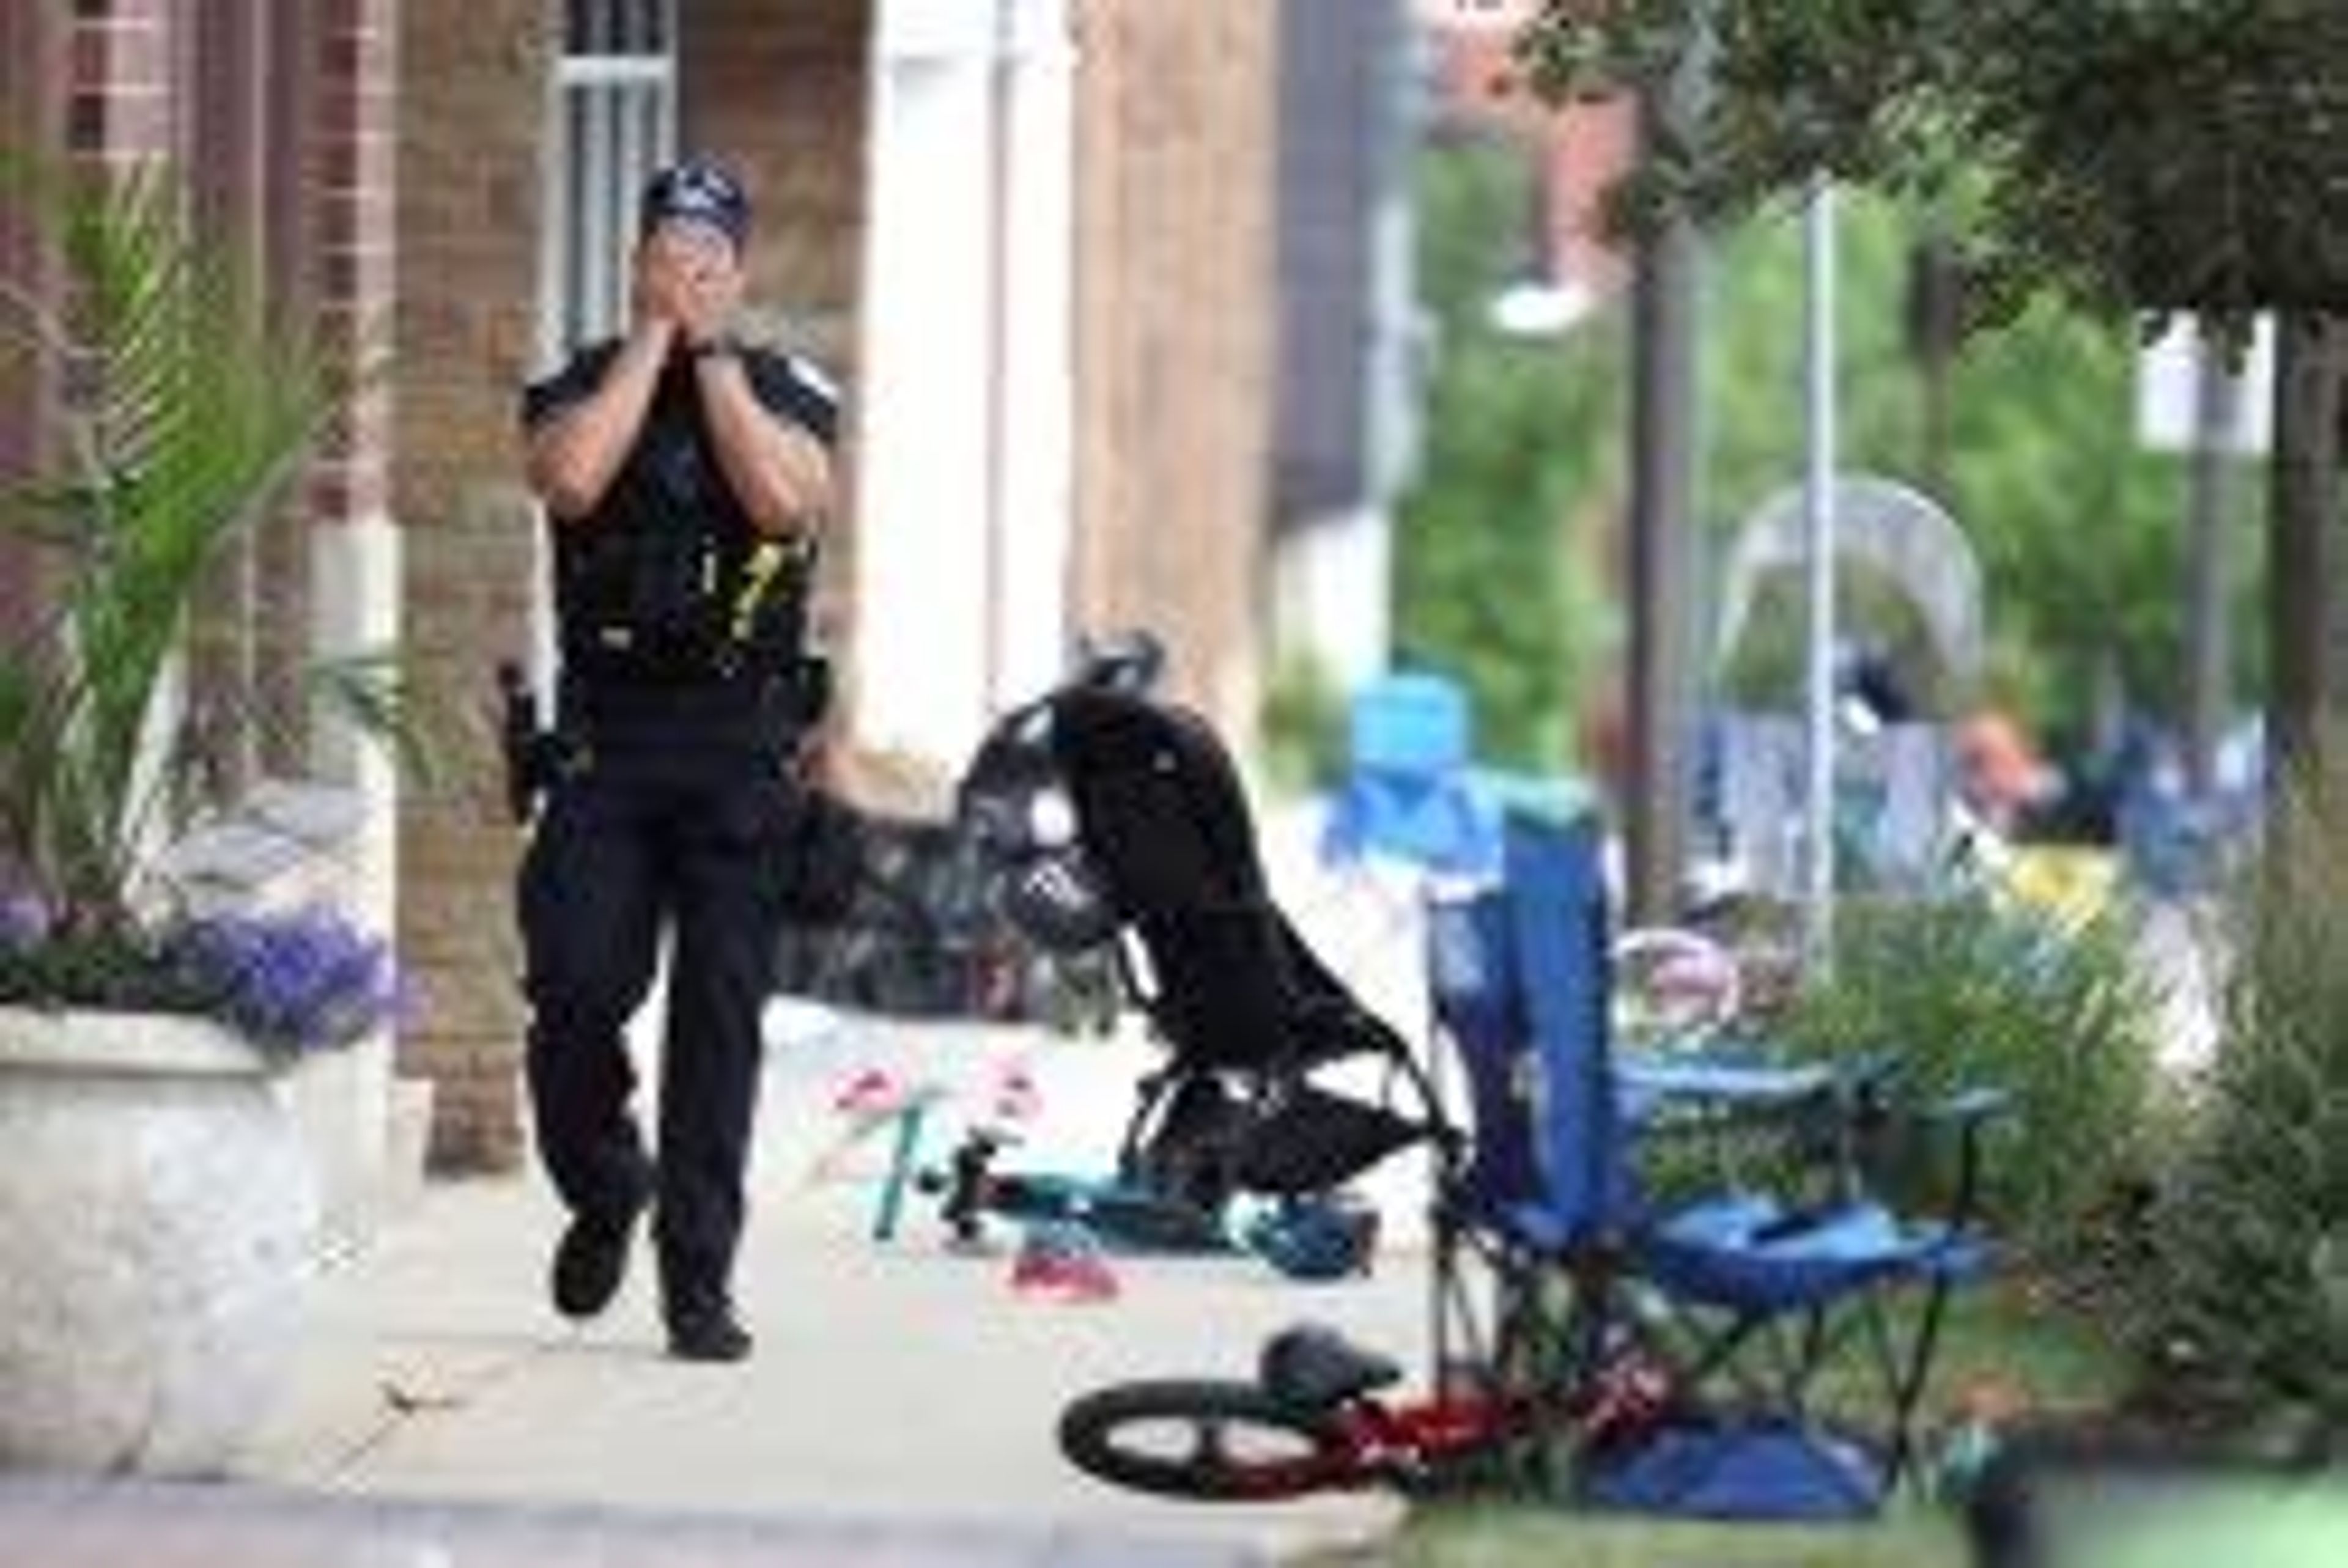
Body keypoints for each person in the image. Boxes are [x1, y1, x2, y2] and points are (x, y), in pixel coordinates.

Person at [515, 157, 838, 1362]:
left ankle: (698, 1281)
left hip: (739, 753)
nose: (688, 273)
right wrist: (652, 344)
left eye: (710, 259)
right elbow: (571, 477)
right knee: (575, 994)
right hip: (610, 748)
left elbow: (780, 505)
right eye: (668, 254)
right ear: (637, 261)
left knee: (718, 1030)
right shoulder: (578, 384)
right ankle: (607, 1183)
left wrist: (709, 360)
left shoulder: (786, 388)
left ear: (740, 272)